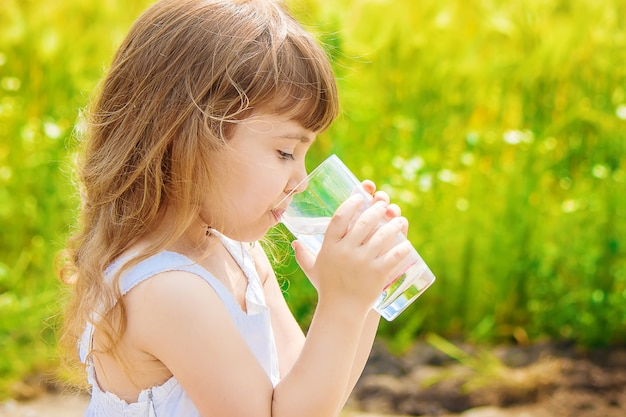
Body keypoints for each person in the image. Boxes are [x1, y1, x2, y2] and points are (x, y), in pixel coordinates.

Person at [58, 0, 414, 416]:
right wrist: (341, 307)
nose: (300, 180)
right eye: (284, 151)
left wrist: (363, 296)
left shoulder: (238, 256)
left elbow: (310, 399)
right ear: (189, 137)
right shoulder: (167, 290)